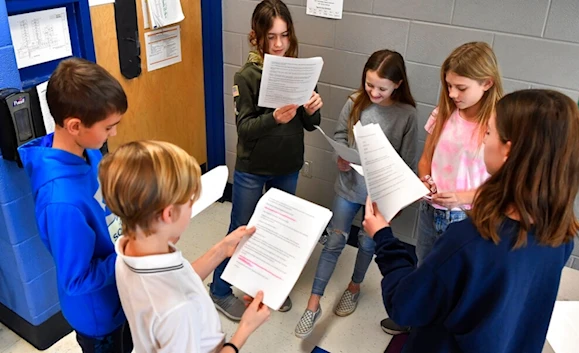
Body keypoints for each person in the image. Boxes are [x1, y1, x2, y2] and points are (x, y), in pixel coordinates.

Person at [363, 89, 579, 353]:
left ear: (508, 151)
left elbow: (404, 306)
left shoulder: (469, 241)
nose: (484, 142)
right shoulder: (561, 232)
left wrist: (383, 237)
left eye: (489, 133)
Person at [99, 140, 271, 353]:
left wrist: (221, 250)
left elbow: (182, 279)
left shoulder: (129, 249)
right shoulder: (177, 308)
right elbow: (179, 296)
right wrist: (244, 329)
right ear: (168, 214)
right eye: (189, 201)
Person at [380, 41, 504, 335]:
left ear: (486, 83)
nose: (452, 94)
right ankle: (414, 319)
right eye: (449, 85)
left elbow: (504, 188)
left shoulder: (498, 125)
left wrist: (461, 197)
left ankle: (437, 331)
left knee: (455, 282)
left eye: (461, 87)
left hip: (468, 219)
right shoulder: (445, 112)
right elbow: (427, 158)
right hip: (431, 208)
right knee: (426, 267)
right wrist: (425, 179)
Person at [210, 0, 323, 321]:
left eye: (284, 36)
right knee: (241, 230)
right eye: (270, 37)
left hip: (288, 166)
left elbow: (311, 125)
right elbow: (245, 130)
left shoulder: (299, 70)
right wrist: (274, 117)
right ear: (256, 37)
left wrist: (313, 110)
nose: (278, 44)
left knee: (277, 233)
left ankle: (263, 288)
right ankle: (219, 290)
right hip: (253, 169)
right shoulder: (246, 76)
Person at [295, 49, 418, 338]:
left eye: (382, 88)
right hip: (348, 187)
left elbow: (408, 161)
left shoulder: (407, 115)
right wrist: (340, 158)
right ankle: (314, 303)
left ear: (398, 85)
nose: (373, 92)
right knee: (334, 241)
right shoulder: (354, 102)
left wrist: (397, 201)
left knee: (367, 244)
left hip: (379, 195)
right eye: (369, 84)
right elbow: (339, 136)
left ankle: (354, 287)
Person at [18, 58, 133, 352]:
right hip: (99, 317)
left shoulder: (87, 151)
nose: (114, 134)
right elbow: (77, 279)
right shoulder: (61, 202)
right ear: (75, 125)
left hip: (119, 289)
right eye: (109, 127)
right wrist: (130, 254)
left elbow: (102, 202)